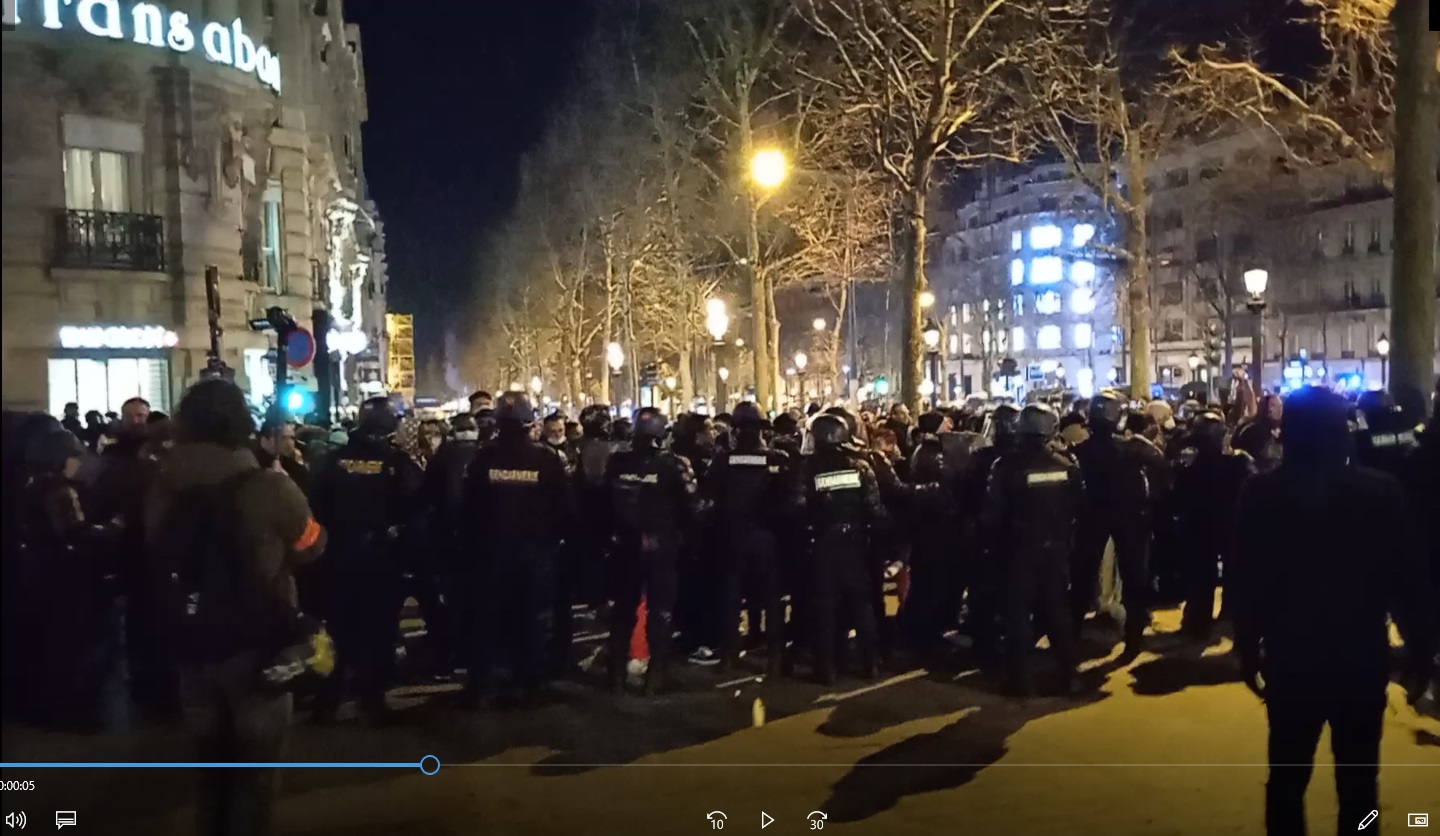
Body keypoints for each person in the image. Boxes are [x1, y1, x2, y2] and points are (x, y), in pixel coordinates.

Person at [1231, 386, 1432, 836]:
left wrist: (1247, 647)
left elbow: (1245, 578)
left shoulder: (1260, 493)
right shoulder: (1381, 492)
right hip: (1358, 657)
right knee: (1360, 784)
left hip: (1292, 657)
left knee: (1286, 778)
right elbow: (1409, 580)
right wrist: (1420, 650)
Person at [144, 378, 325, 836]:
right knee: (256, 775)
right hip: (257, 644)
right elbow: (310, 545)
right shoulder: (267, 486)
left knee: (210, 771)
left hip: (191, 640)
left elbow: (156, 548)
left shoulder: (162, 486)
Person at [309, 396, 422, 725]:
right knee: (380, 630)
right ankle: (372, 698)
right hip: (381, 561)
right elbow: (417, 504)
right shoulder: (396, 462)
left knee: (339, 631)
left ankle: (328, 699)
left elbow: (316, 505)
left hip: (339, 559)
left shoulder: (333, 461)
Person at [461, 393, 569, 705]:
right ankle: (531, 684)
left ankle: (485, 684)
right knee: (533, 619)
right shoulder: (547, 459)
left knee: (489, 619)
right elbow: (562, 509)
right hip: (534, 556)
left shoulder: (483, 459)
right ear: (529, 422)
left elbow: (469, 509)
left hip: (490, 554)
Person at [979, 404, 1083, 696]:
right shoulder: (1066, 465)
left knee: (1017, 615)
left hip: (1018, 552)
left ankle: (1020, 680)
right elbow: (1077, 509)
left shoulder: (1004, 466)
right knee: (1057, 613)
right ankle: (1070, 673)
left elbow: (992, 515)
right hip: (1055, 551)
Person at [604, 407, 698, 694]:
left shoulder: (618, 462)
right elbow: (689, 507)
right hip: (660, 546)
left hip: (625, 545)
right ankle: (656, 674)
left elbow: (604, 502)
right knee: (660, 611)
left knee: (623, 610)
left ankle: (617, 675)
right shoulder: (673, 464)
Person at [796, 413, 887, 684]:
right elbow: (875, 508)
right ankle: (870, 663)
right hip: (855, 544)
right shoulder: (860, 466)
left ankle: (827, 668)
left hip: (823, 544)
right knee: (861, 605)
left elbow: (797, 507)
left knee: (825, 606)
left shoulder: (807, 468)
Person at [1070, 391, 1161, 657]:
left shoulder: (1081, 451)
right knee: (1134, 577)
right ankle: (1133, 636)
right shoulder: (1131, 447)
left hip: (1093, 516)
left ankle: (1073, 631)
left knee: (1083, 575)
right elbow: (1160, 463)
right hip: (1128, 518)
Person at [706, 401, 793, 675]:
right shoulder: (776, 459)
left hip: (732, 536)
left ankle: (729, 654)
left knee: (730, 596)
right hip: (766, 537)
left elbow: (710, 498)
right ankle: (776, 655)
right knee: (771, 597)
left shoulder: (723, 460)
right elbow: (789, 500)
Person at [1171, 413, 1253, 640]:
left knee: (1205, 575)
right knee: (1223, 573)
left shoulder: (1191, 464)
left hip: (1206, 525)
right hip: (1221, 524)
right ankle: (1217, 618)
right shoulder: (1235, 461)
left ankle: (1202, 620)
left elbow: (1177, 496)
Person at [903, 411, 960, 658]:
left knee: (925, 582)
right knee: (930, 583)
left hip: (927, 529)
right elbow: (948, 483)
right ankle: (926, 636)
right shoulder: (934, 455)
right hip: (934, 529)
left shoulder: (922, 451)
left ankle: (918, 631)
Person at [255, 415, 309, 497]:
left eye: (292, 438)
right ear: (265, 439)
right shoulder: (253, 462)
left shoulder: (290, 463)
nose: (289, 444)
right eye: (283, 438)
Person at [1234, 392, 1283, 473]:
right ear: (1267, 407)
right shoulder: (1256, 430)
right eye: (1274, 405)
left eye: (1281, 406)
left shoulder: (1274, 429)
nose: (1280, 410)